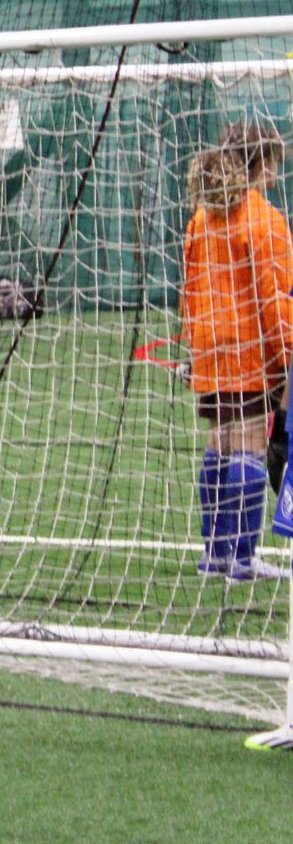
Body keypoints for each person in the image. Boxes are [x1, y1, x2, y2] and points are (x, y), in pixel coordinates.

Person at [183, 132, 292, 582]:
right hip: (248, 350)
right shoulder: (265, 221)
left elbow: (189, 291)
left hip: (210, 350)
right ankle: (242, 559)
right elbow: (276, 298)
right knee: (247, 445)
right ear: (262, 165)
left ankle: (215, 552)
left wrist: (192, 344)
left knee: (219, 443)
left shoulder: (200, 219)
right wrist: (286, 356)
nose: (279, 173)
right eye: (276, 163)